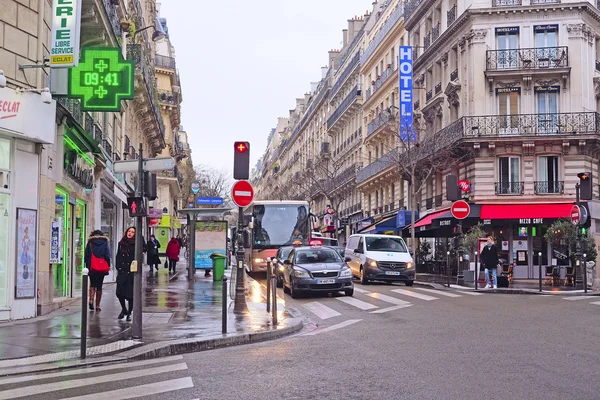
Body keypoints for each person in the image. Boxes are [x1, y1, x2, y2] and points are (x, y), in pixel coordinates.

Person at [84, 230, 111, 312]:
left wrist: (87, 265)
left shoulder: (90, 242)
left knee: (92, 284)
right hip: (101, 267)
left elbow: (86, 255)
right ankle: (98, 305)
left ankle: (91, 300)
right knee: (99, 286)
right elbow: (107, 255)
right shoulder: (105, 242)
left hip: (92, 267)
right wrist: (108, 264)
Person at [116, 226, 136, 321]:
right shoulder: (121, 243)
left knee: (130, 295)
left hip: (131, 273)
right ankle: (124, 309)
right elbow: (118, 255)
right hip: (122, 271)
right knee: (119, 293)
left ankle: (129, 313)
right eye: (129, 231)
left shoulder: (136, 244)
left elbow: (144, 249)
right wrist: (118, 267)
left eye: (132, 232)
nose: (130, 233)